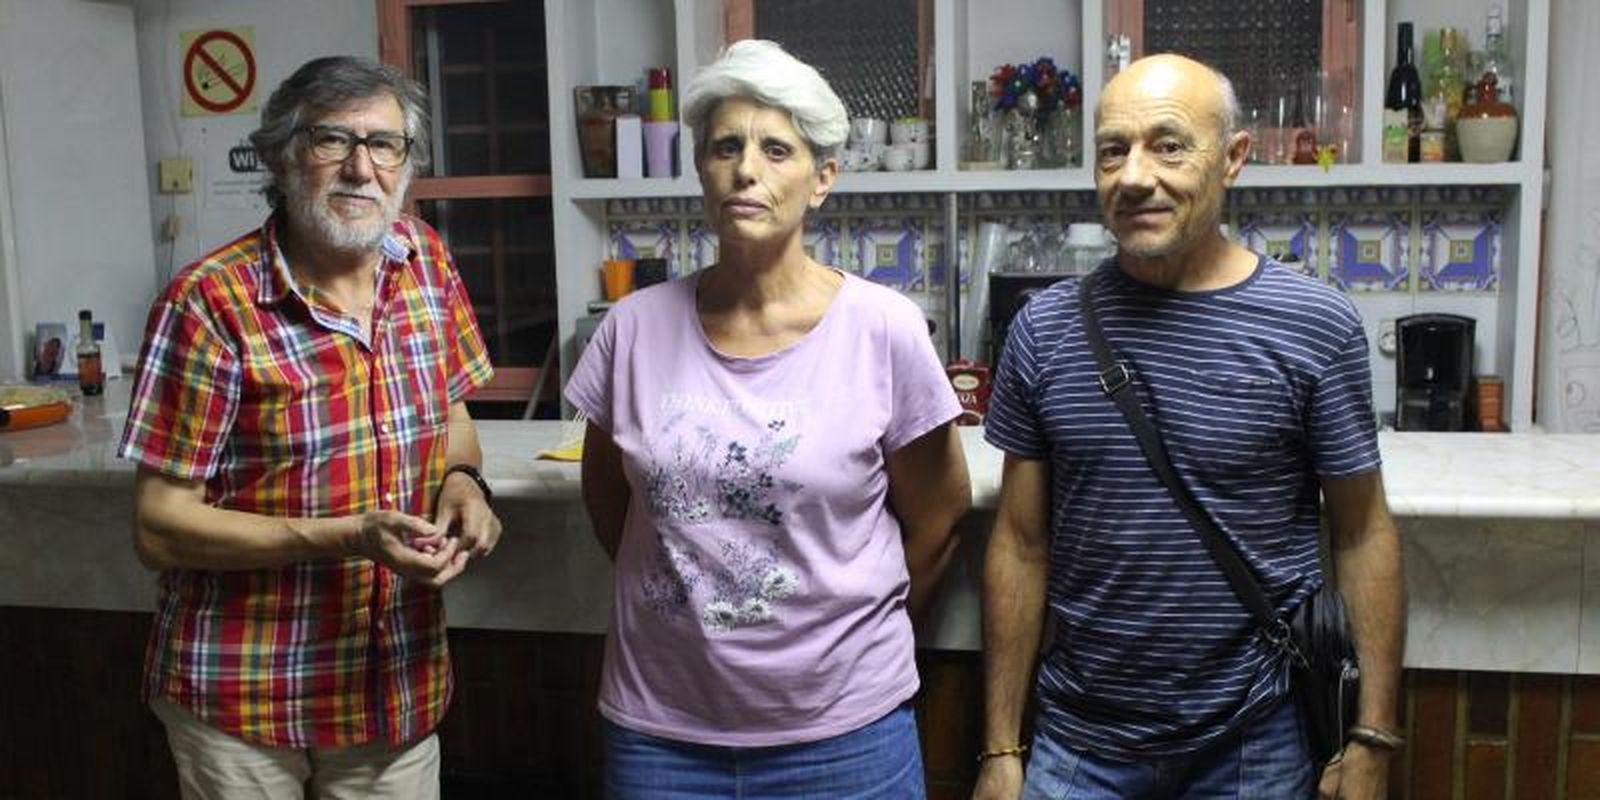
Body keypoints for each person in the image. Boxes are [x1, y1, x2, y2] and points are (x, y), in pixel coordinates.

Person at [972, 54, 1405, 800]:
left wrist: (1372, 736)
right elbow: (1019, 541)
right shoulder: (1043, 331)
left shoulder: (1314, 325)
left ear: (1234, 158)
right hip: (1077, 743)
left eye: (1168, 145)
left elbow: (1362, 533)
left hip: (1255, 742)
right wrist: (1000, 747)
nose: (1135, 176)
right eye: (1114, 149)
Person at [565, 39, 972, 800]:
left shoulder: (883, 328)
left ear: (823, 179)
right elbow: (610, 503)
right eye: (726, 146)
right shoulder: (633, 328)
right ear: (702, 171)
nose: (745, 167)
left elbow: (939, 514)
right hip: (663, 732)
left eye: (775, 148)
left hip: (847, 731)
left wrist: (842, 638)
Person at [119, 56, 499, 799]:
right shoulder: (210, 304)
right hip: (245, 699)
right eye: (333, 141)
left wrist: (465, 481)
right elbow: (159, 528)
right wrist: (349, 535)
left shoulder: (426, 264)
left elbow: (452, 413)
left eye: (385, 144)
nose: (362, 168)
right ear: (283, 158)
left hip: (393, 687)